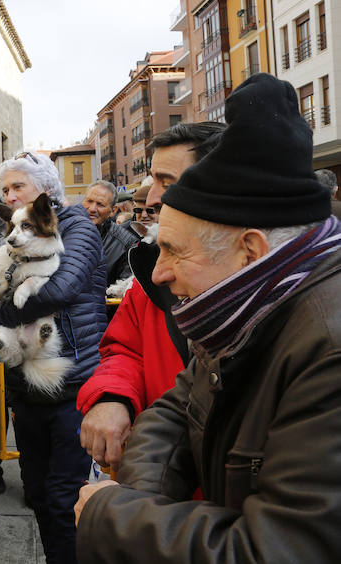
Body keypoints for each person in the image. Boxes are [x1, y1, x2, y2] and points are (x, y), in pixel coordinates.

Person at [75, 73, 341, 563]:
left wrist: (117, 516)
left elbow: (280, 550)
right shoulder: (243, 306)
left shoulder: (327, 347)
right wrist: (145, 500)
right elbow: (178, 411)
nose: (159, 272)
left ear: (250, 251)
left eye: (174, 251)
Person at [76, 121, 226, 471]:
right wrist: (113, 396)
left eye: (167, 182)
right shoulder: (152, 268)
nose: (153, 198)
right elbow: (125, 349)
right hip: (157, 472)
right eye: (153, 181)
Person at [0, 151, 107, 564]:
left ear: (45, 188)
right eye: (5, 189)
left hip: (75, 382)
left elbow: (58, 291)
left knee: (64, 496)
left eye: (17, 186)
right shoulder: (17, 233)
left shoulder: (77, 226)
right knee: (38, 492)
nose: (9, 195)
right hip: (28, 382)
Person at [84, 180, 139, 285]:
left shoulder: (127, 244)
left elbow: (124, 289)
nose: (92, 209)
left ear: (113, 210)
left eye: (100, 204)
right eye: (89, 201)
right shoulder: (67, 233)